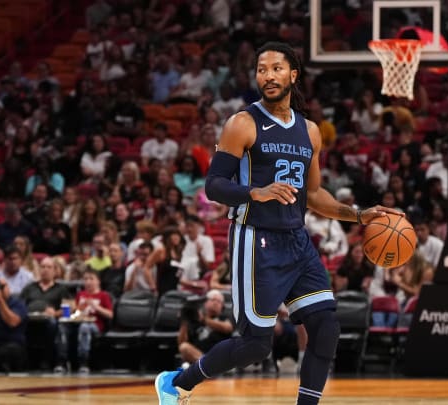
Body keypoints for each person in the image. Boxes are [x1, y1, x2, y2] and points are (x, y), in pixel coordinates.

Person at [154, 41, 396, 405]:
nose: (268, 75)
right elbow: (214, 186)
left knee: (326, 328)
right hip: (256, 241)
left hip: (297, 241)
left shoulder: (310, 131)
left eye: (276, 68)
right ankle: (177, 383)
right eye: (262, 69)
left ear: (293, 75)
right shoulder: (242, 123)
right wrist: (256, 192)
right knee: (255, 346)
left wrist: (357, 215)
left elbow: (313, 196)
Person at [177, 289, 234, 365]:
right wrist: (184, 322)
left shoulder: (224, 318)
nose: (216, 303)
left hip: (218, 355)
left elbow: (228, 328)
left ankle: (208, 366)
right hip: (199, 355)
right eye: (213, 300)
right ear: (205, 303)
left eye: (219, 301)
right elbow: (181, 342)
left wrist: (204, 320)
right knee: (184, 347)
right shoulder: (195, 320)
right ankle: (207, 366)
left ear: (222, 307)